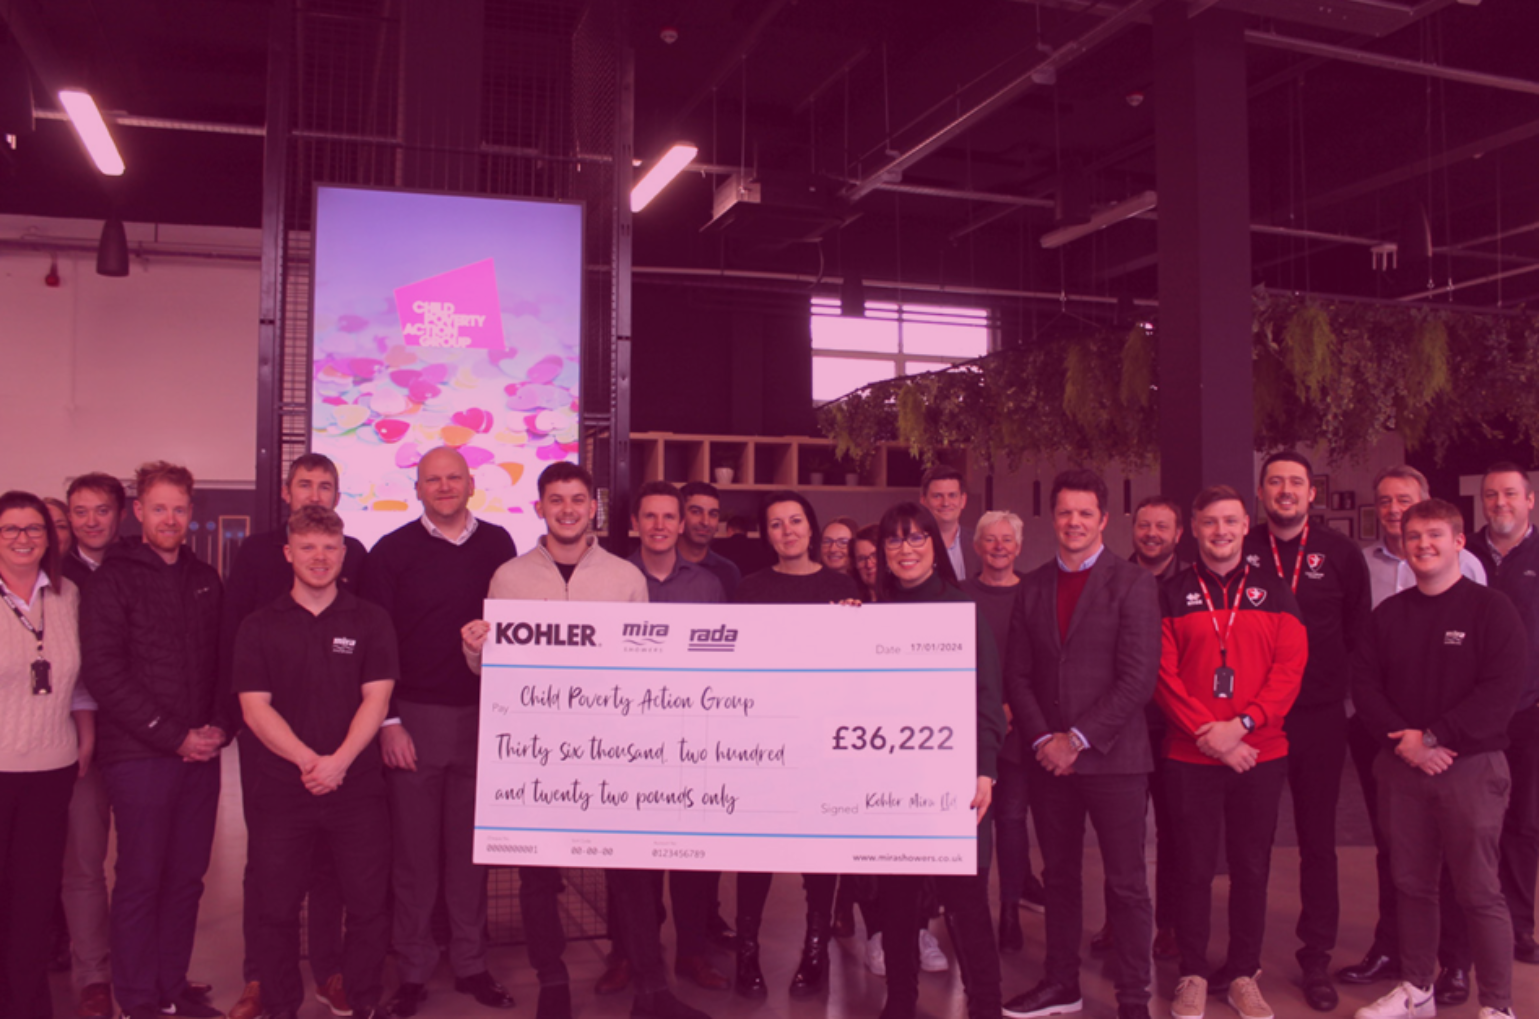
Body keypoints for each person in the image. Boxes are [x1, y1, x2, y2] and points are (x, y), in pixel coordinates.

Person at [464, 463, 707, 1019]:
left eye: (577, 499)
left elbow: (643, 667)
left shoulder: (625, 577)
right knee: (537, 875)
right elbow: (493, 671)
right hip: (535, 756)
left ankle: (653, 992)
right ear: (540, 509)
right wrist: (477, 649)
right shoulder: (508, 578)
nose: (568, 509)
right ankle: (552, 988)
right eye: (557, 500)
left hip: (613, 752)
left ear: (592, 508)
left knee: (630, 875)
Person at [1352, 498, 1526, 1019]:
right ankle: (1417, 990)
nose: (1423, 545)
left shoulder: (1491, 610)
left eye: (1435, 535)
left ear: (1457, 542)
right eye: (1413, 537)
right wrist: (1406, 742)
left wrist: (1433, 737)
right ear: (1403, 547)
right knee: (1412, 886)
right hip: (1402, 767)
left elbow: (1502, 691)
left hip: (1470, 768)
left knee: (1479, 891)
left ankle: (1497, 1006)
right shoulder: (1388, 616)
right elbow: (1365, 686)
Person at [360, 446, 518, 1018]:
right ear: (418, 487)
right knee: (415, 858)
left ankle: (472, 963)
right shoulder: (391, 552)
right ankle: (413, 970)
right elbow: (377, 646)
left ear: (471, 483)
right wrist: (391, 720)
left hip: (483, 717)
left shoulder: (500, 546)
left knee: (468, 857)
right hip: (415, 721)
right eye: (434, 479)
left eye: (454, 477)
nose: (445, 486)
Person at [1000, 471, 1159, 1019]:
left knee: (1127, 884)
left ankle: (1134, 998)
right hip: (1049, 762)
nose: (1074, 522)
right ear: (1053, 517)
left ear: (1104, 520)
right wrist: (1047, 738)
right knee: (1060, 878)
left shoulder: (1134, 584)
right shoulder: (1033, 585)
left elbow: (1138, 679)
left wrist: (1077, 740)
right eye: (1065, 512)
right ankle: (1060, 985)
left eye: (1085, 513)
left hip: (1114, 760)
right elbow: (1017, 676)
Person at [233, 504, 396, 1019]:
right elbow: (254, 708)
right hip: (283, 790)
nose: (319, 557)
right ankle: (281, 1005)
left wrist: (340, 763)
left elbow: (378, 698)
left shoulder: (371, 620)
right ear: (289, 554)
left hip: (357, 788)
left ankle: (362, 997)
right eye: (307, 547)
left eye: (329, 547)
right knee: (276, 910)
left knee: (368, 905)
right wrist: (310, 762)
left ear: (343, 554)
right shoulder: (258, 627)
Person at [80, 462, 230, 1019]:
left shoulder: (204, 577)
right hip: (140, 755)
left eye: (180, 508)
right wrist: (174, 737)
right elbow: (104, 671)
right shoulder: (111, 579)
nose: (170, 518)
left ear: (192, 514)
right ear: (138, 512)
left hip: (201, 755)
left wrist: (218, 728)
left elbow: (224, 662)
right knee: (142, 877)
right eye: (159, 507)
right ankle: (139, 998)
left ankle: (172, 987)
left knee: (187, 878)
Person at [1157, 485, 1307, 1019]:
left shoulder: (1276, 592)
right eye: (1209, 522)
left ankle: (1244, 972)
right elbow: (1162, 674)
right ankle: (1193, 974)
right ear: (1193, 529)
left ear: (1247, 525)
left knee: (1251, 867)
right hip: (1191, 752)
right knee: (1192, 868)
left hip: (1258, 754)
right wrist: (1211, 733)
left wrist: (1241, 727)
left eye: (1230, 521)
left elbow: (1289, 672)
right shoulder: (1172, 593)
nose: (1220, 531)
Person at [1342, 464, 1485, 1000]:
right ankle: (1392, 946)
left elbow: (1475, 652)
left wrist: (1436, 735)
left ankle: (1454, 961)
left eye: (1405, 500)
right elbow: (1360, 647)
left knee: (1450, 850)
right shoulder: (1362, 565)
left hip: (1447, 739)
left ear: (1427, 503)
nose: (1395, 510)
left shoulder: (1466, 565)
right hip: (1381, 729)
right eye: (1384, 501)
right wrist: (1389, 728)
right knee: (1392, 845)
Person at [1240, 452, 1371, 1012]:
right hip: (1255, 718)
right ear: (1262, 491)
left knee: (1318, 842)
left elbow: (1359, 636)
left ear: (1311, 493)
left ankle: (1315, 957)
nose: (1286, 491)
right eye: (1276, 482)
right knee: (1251, 842)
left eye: (1295, 483)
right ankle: (1243, 960)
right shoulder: (1242, 549)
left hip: (1317, 717)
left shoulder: (1342, 554)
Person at [873, 501, 1005, 1019]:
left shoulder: (962, 610)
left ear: (934, 546)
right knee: (898, 904)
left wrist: (986, 769)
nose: (905, 549)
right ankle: (900, 1002)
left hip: (958, 784)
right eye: (894, 540)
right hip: (893, 786)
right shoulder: (871, 615)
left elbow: (987, 699)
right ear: (883, 552)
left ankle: (986, 1006)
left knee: (966, 903)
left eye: (916, 538)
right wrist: (842, 633)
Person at [731, 491, 861, 999]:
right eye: (777, 525)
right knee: (756, 850)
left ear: (812, 527)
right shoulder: (749, 588)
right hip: (763, 735)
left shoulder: (841, 586)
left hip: (822, 738)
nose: (787, 532)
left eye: (796, 522)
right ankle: (747, 952)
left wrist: (855, 625)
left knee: (819, 849)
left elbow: (855, 668)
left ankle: (815, 949)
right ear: (767, 534)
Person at [0, 490, 86, 1019]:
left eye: (35, 529)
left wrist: (86, 739)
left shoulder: (68, 595)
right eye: (10, 529)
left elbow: (78, 681)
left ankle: (27, 1007)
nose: (24, 539)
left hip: (52, 769)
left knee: (33, 904)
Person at [59, 472, 130, 1019]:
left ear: (120, 514)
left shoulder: (139, 566)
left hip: (141, 738)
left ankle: (141, 970)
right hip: (74, 739)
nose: (90, 521)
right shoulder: (53, 576)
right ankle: (93, 978)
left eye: (101, 510)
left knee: (141, 864)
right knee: (84, 863)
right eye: (79, 511)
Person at [958, 510, 1045, 955]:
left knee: (1011, 822)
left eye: (1006, 540)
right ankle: (967, 914)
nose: (998, 546)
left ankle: (1010, 911)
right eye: (989, 540)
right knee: (972, 825)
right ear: (976, 547)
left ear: (1018, 546)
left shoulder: (1035, 593)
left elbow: (1040, 659)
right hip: (970, 728)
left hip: (1018, 728)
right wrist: (988, 712)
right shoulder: (959, 596)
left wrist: (1009, 711)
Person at [1470, 464, 1539, 966]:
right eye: (1491, 495)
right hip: (1471, 716)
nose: (1500, 503)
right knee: (1471, 824)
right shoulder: (1464, 551)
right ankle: (1470, 927)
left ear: (1530, 500)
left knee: (1522, 824)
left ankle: (1518, 926)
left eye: (1510, 494)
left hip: (1530, 711)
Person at [677, 481, 743, 599]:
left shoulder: (728, 572)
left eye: (713, 514)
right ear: (680, 516)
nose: (705, 522)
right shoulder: (662, 566)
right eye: (696, 512)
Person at [919, 465, 978, 581]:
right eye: (937, 496)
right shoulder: (913, 545)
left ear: (963, 500)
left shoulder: (979, 544)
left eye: (952, 495)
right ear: (923, 501)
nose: (945, 503)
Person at [852, 524, 881, 603]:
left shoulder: (904, 599)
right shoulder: (850, 598)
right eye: (861, 559)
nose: (869, 565)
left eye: (875, 555)